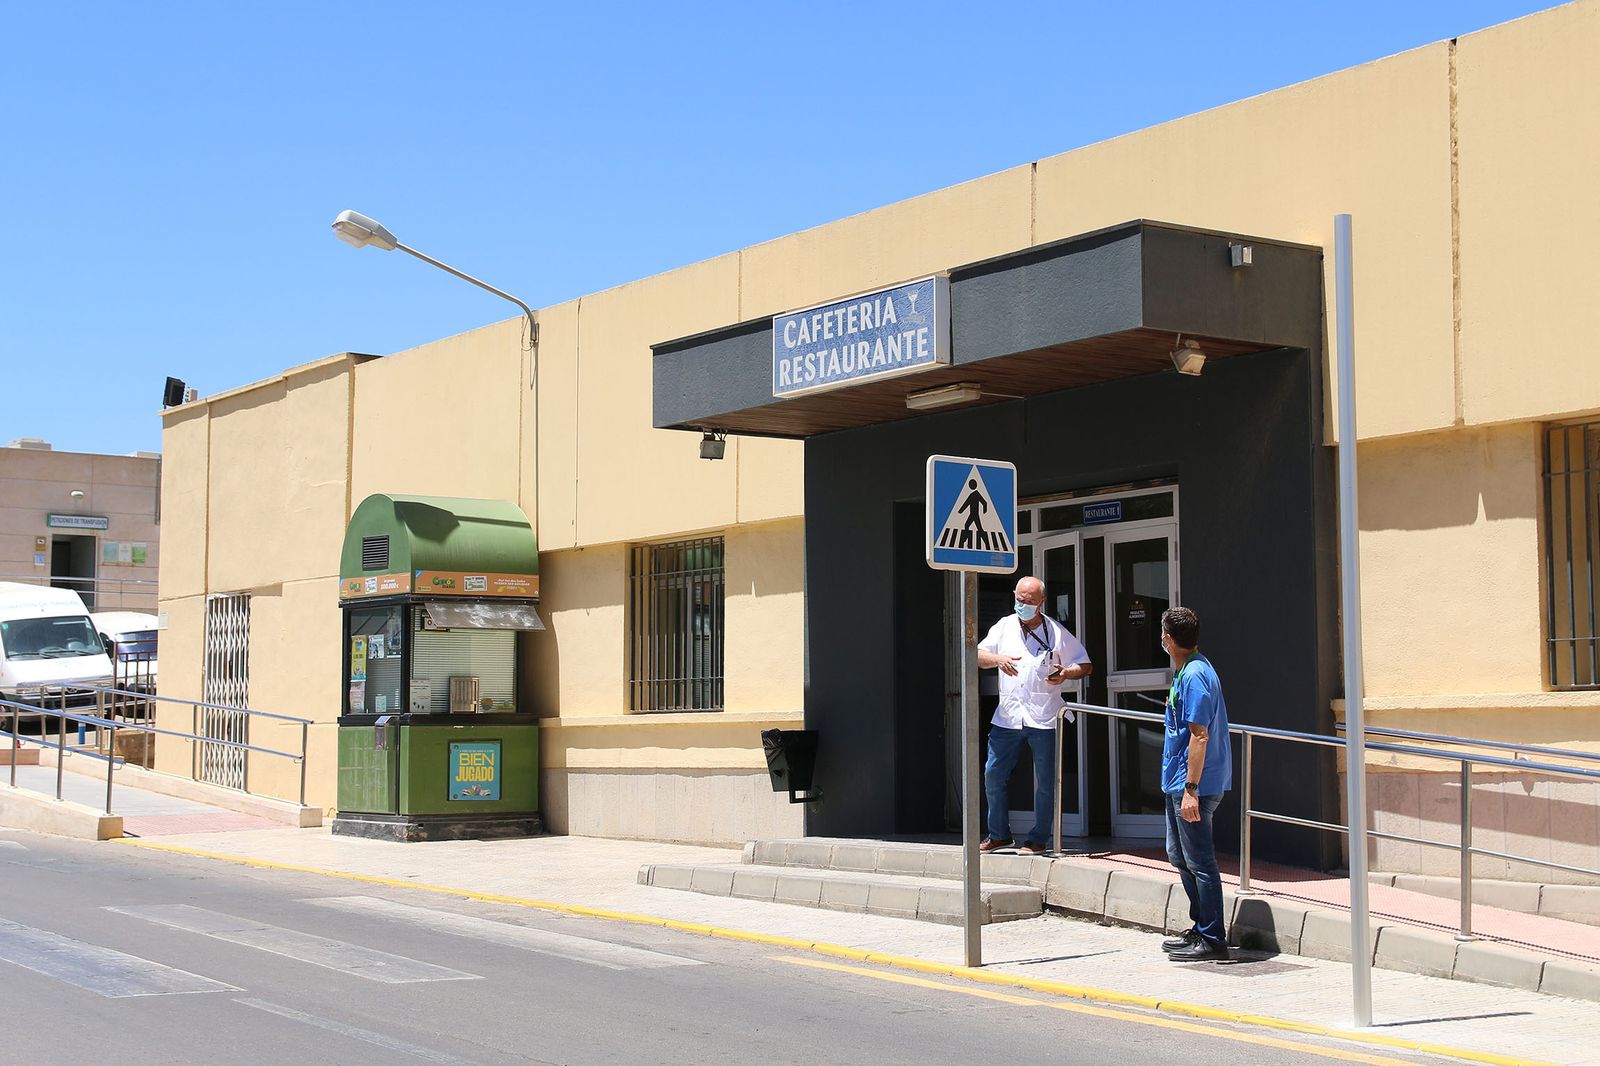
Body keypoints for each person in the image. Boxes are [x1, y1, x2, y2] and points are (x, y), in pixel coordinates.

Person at [976, 576, 1093, 854]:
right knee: (993, 775)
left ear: (1042, 602)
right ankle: (999, 834)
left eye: (1029, 602)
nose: (1023, 605)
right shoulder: (1004, 626)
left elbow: (1085, 664)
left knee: (1046, 782)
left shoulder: (1055, 631)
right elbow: (977, 655)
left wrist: (1066, 673)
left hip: (1044, 717)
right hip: (1007, 717)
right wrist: (998, 660)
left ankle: (1038, 838)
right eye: (1019, 599)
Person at [1158, 606, 1234, 962]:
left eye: (1163, 633)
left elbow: (1199, 736)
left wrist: (1191, 789)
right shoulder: (1186, 671)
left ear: (1169, 640)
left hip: (1194, 787)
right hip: (1179, 782)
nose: (1161, 639)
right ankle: (1201, 925)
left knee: (1200, 861)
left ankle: (1213, 935)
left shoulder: (1195, 676)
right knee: (1179, 855)